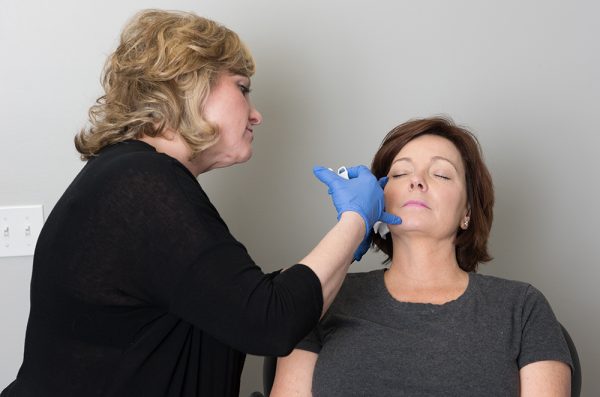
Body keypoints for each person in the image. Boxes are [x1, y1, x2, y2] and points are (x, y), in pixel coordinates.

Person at [0, 10, 400, 397]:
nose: (256, 114)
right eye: (242, 88)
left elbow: (228, 298)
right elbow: (268, 321)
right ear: (186, 84)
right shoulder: (143, 185)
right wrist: (355, 221)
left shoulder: (127, 174)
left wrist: (341, 254)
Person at [271, 117, 573, 396]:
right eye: (400, 173)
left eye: (441, 174)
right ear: (378, 201)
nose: (417, 181)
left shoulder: (521, 308)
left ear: (467, 211)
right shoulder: (325, 300)